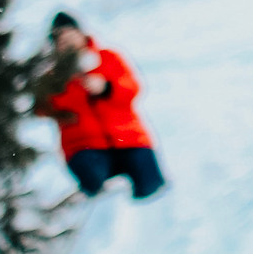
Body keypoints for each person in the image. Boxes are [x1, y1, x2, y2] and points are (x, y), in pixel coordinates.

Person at [33, 13, 165, 201]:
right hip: (83, 146)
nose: (66, 42)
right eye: (60, 39)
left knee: (151, 187)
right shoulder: (51, 76)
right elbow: (41, 109)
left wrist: (106, 87)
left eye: (69, 36)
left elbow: (132, 88)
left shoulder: (107, 58)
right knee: (97, 188)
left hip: (128, 138)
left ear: (80, 34)